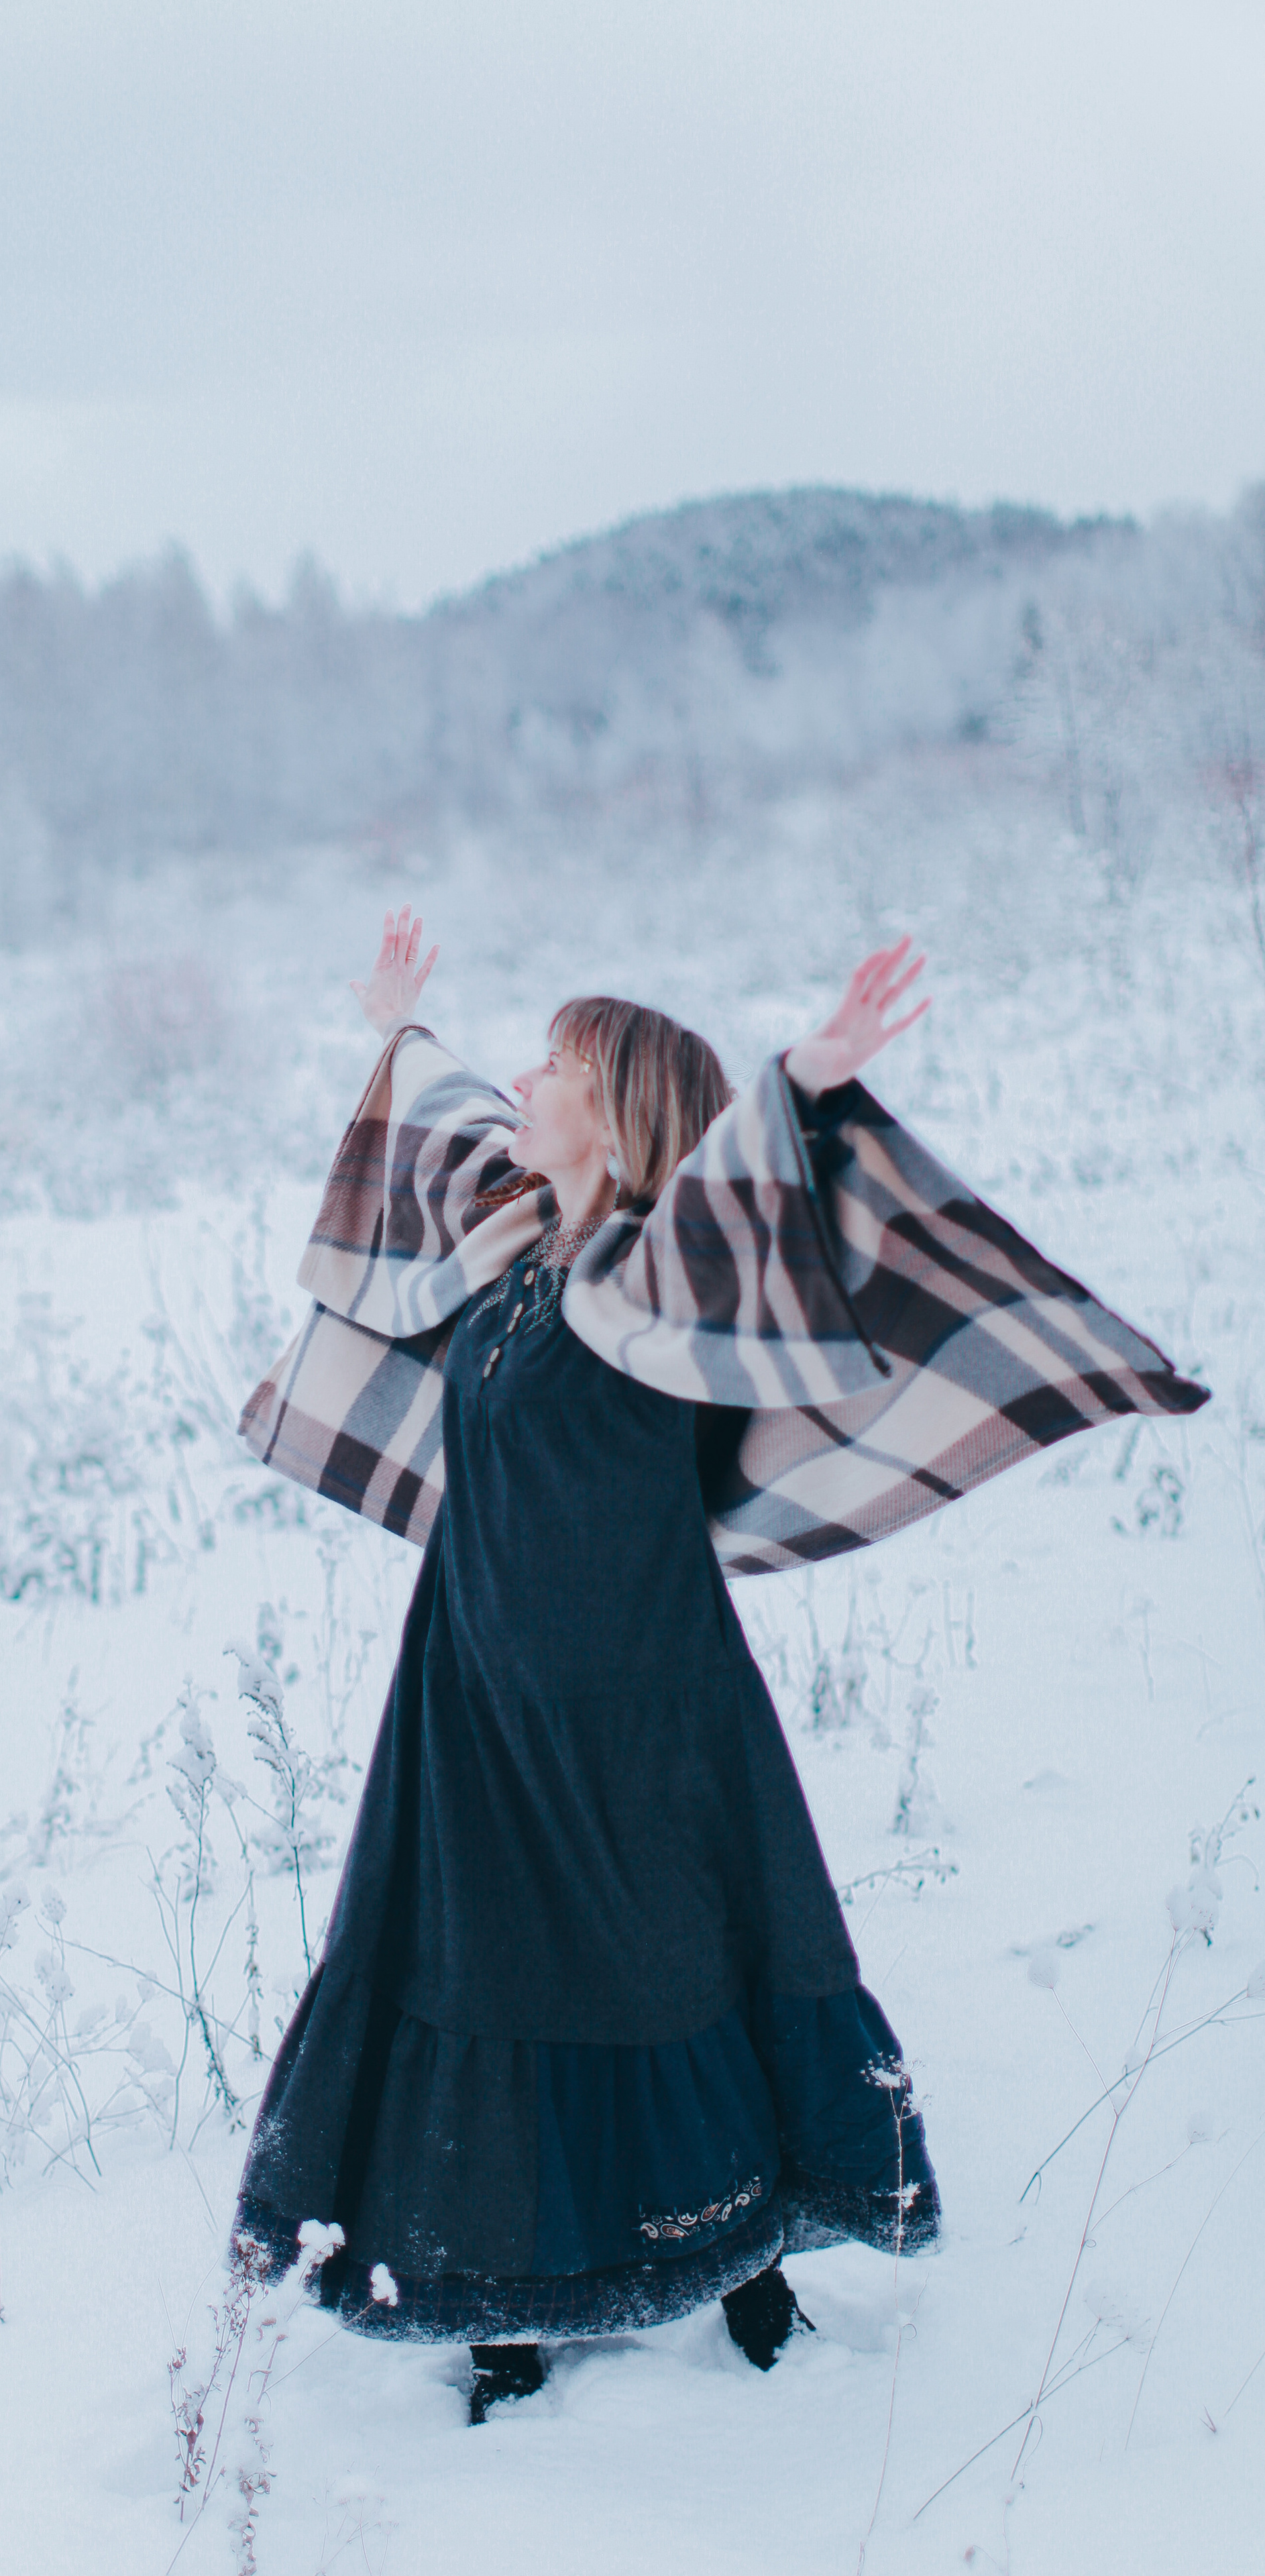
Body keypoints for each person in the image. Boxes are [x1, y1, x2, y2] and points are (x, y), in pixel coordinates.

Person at [232, 911, 1207, 2424]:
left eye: (556, 1065)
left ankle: (745, 2257)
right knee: (478, 1960)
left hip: (640, 1700)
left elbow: (726, 1208)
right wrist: (394, 1030)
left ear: (618, 1118)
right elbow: (446, 1138)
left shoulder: (647, 1284)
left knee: (668, 1956)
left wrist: (804, 1076)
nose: (526, 1079)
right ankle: (504, 2298)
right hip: (470, 1693)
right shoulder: (510, 1254)